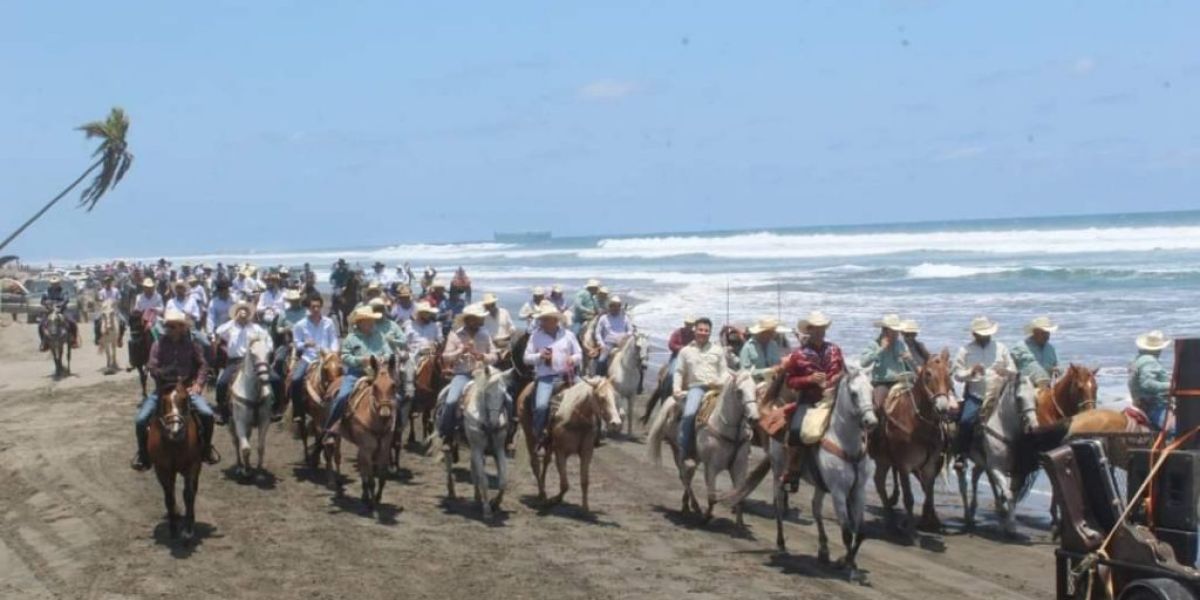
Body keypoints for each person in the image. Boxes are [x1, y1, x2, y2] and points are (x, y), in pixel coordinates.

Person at [130, 309, 219, 471]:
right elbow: (152, 366)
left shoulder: (192, 345)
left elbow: (203, 365)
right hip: (163, 389)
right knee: (140, 420)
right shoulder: (158, 345)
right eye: (167, 326)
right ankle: (143, 454)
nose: (168, 329)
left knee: (207, 414)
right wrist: (162, 375)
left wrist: (198, 384)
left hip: (187, 389)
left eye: (173, 326)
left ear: (181, 328)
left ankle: (206, 449)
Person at [779, 311, 845, 485]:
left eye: (822, 328)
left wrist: (836, 378)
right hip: (809, 399)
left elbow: (844, 371)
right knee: (796, 430)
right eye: (816, 328)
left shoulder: (835, 350)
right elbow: (790, 381)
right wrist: (809, 379)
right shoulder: (798, 354)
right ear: (809, 330)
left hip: (834, 398)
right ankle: (792, 471)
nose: (820, 331)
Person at [323, 307, 394, 445]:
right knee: (342, 396)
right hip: (356, 373)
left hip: (378, 373)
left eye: (372, 320)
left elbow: (389, 352)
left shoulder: (379, 336)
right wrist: (360, 360)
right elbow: (344, 357)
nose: (371, 323)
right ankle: (331, 429)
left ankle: (396, 430)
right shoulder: (351, 338)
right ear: (360, 322)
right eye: (368, 320)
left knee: (395, 396)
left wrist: (383, 358)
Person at [952, 316, 1015, 470]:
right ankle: (962, 454)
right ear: (975, 334)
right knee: (966, 421)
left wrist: (1006, 371)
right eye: (982, 334)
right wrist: (971, 371)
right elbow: (957, 375)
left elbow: (1013, 370)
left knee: (1021, 418)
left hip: (1000, 396)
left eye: (987, 333)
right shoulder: (965, 350)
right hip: (977, 396)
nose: (986, 336)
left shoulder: (1001, 348)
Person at [523, 302, 582, 449]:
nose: (541, 322)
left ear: (554, 320)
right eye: (541, 319)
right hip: (546, 378)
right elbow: (526, 358)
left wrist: (572, 359)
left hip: (567, 376)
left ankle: (595, 432)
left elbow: (579, 354)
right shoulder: (536, 336)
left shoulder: (568, 335)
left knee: (590, 394)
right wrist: (540, 356)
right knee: (541, 406)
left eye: (544, 319)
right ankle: (538, 436)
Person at [438, 303, 497, 449]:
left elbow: (494, 356)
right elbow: (445, 357)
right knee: (451, 401)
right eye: (477, 318)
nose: (481, 321)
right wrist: (460, 351)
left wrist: (483, 356)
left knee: (504, 398)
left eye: (480, 318)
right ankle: (447, 434)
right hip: (462, 374)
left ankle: (503, 434)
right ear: (468, 319)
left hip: (482, 374)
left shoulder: (485, 334)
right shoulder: (455, 335)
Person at [673, 318, 728, 468]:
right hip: (696, 388)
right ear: (695, 331)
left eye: (706, 331)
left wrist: (720, 382)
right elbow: (679, 371)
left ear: (710, 332)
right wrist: (676, 388)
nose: (703, 333)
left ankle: (741, 447)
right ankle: (685, 452)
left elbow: (724, 371)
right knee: (690, 414)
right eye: (700, 330)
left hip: (717, 389)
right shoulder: (685, 351)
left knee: (738, 409)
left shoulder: (718, 350)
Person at [215, 302, 279, 422]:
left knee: (275, 379)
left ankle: (276, 408)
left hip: (255, 360)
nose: (243, 313)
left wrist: (265, 351)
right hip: (236, 361)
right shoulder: (230, 327)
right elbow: (219, 331)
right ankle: (221, 409)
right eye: (240, 310)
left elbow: (268, 340)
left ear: (250, 313)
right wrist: (234, 320)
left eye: (245, 310)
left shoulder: (256, 328)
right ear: (236, 313)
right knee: (222, 383)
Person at [289, 295, 339, 423]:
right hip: (309, 357)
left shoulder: (328, 322)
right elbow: (297, 343)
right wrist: (305, 344)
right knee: (296, 379)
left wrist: (333, 352)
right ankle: (297, 412)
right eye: (313, 307)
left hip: (327, 357)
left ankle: (342, 410)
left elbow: (333, 339)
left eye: (318, 306)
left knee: (341, 377)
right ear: (308, 308)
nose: (316, 309)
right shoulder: (300, 325)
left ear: (321, 307)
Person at [1010, 316, 1061, 431]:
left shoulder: (1050, 348)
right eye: (1044, 333)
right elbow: (1011, 367)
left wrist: (1056, 370)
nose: (1047, 336)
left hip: (1047, 387)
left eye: (1048, 333)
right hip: (1026, 387)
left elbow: (1056, 365)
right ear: (1035, 332)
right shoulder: (1020, 347)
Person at [859, 314, 913, 410]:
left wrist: (909, 358)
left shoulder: (900, 344)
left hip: (901, 381)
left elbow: (907, 363)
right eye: (894, 331)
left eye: (897, 331)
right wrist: (881, 350)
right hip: (882, 383)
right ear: (885, 331)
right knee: (877, 406)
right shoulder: (874, 344)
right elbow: (863, 362)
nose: (897, 334)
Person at [1130, 330, 1174, 434]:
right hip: (1155, 405)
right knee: (1178, 429)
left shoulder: (1138, 359)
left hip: (1141, 402)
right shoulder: (1149, 361)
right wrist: (1172, 385)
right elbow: (1148, 384)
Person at [593, 295, 635, 377]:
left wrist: (625, 336)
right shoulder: (603, 318)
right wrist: (601, 344)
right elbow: (598, 332)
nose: (616, 308)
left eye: (618, 306)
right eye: (614, 306)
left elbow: (631, 330)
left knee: (638, 361)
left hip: (624, 343)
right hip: (609, 344)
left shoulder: (625, 318)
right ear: (610, 307)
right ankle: (598, 377)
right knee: (602, 360)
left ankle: (639, 382)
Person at [39, 276, 80, 350]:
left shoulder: (64, 291)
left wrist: (60, 305)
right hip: (49, 311)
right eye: (53, 284)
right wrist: (47, 304)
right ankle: (44, 342)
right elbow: (42, 301)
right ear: (50, 284)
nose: (54, 285)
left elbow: (66, 300)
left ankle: (74, 340)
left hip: (62, 310)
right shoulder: (46, 292)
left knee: (72, 322)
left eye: (56, 283)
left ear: (59, 284)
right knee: (41, 324)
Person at [739, 317, 785, 383]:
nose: (772, 335)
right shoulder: (748, 347)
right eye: (769, 333)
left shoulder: (773, 344)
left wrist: (781, 366)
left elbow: (777, 363)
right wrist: (769, 370)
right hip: (755, 382)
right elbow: (745, 372)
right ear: (761, 332)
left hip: (774, 380)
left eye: (773, 333)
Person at [92, 275, 125, 346]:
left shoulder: (116, 290)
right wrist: (103, 304)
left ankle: (120, 338)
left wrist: (115, 303)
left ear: (111, 282)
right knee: (96, 320)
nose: (108, 283)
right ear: (104, 283)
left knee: (123, 321)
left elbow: (119, 299)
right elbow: (100, 300)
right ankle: (97, 337)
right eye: (106, 282)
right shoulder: (102, 292)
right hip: (104, 310)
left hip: (114, 309)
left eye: (109, 281)